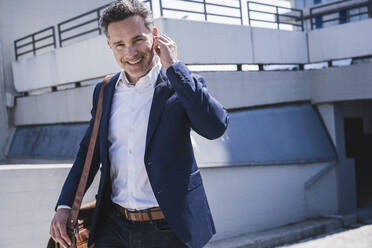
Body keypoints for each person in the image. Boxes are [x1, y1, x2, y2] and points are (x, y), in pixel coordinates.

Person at [50, 0, 228, 247]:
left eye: (137, 40)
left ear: (155, 36)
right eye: (120, 44)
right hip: (113, 227)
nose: (130, 53)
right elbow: (88, 153)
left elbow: (215, 127)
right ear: (109, 45)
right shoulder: (105, 90)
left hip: (168, 229)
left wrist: (175, 68)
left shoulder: (180, 84)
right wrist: (65, 205)